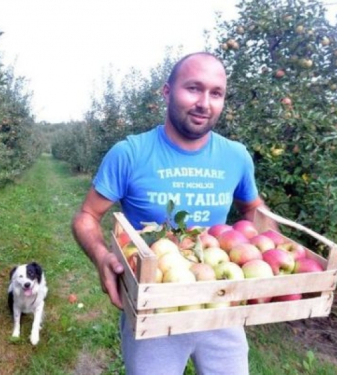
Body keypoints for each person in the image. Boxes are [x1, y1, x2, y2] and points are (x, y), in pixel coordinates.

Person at [72, 52, 272, 375]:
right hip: (155, 309)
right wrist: (99, 256)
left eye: (216, 93)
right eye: (193, 88)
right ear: (167, 92)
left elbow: (253, 209)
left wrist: (256, 251)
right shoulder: (130, 153)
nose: (204, 103)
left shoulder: (236, 157)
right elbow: (86, 216)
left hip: (221, 301)